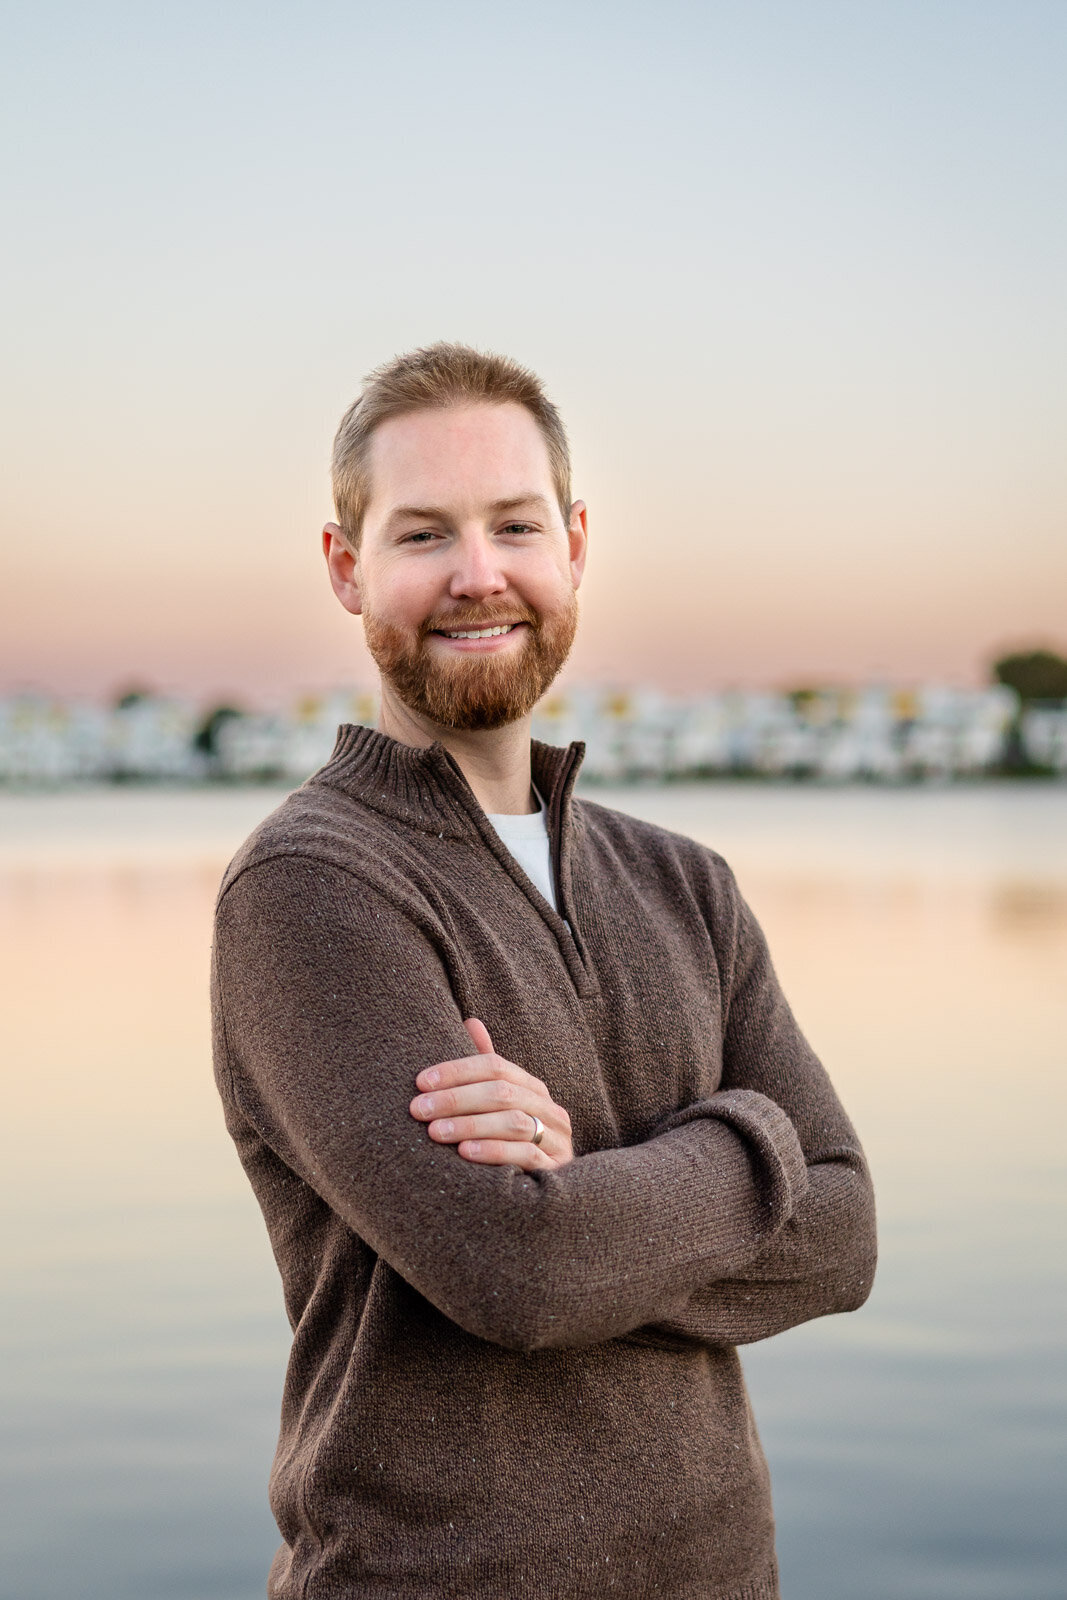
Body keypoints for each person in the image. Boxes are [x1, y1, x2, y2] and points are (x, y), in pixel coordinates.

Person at [210, 342, 876, 1600]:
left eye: (514, 524)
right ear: (347, 570)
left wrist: (589, 1182)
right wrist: (756, 1140)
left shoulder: (686, 883)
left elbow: (843, 1233)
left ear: (573, 544)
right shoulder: (309, 886)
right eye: (422, 536)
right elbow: (516, 1272)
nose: (478, 576)